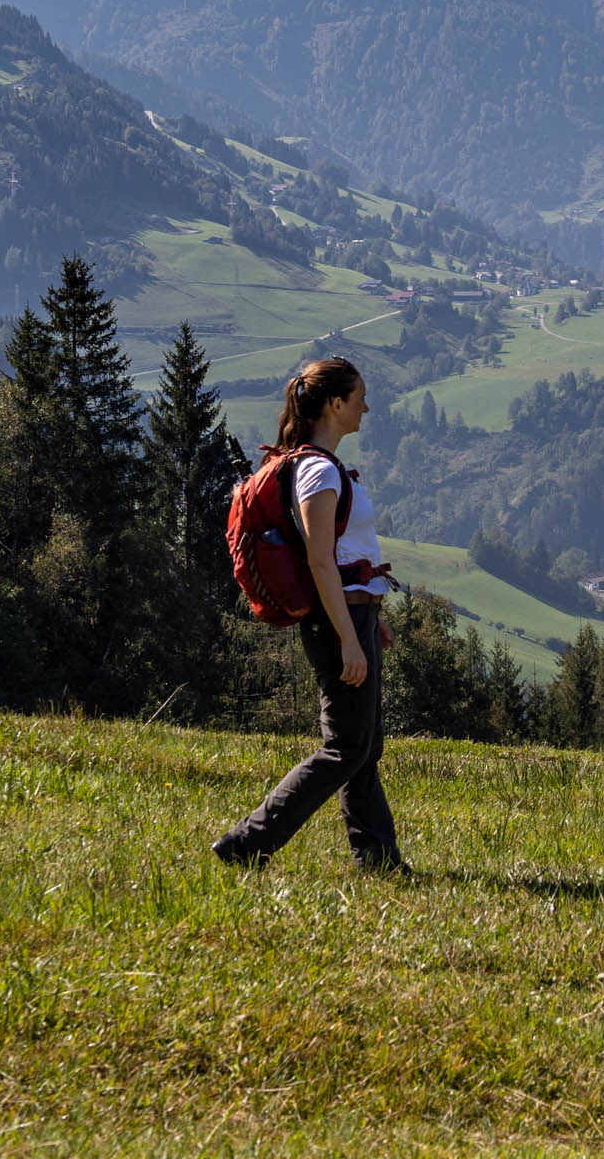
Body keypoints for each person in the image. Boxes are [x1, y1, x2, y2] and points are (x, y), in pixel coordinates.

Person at [213, 357, 408, 873]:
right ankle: (247, 842)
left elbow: (340, 557)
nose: (367, 405)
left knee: (362, 745)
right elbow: (319, 560)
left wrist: (369, 617)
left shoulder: (320, 466)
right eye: (360, 395)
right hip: (336, 620)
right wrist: (347, 636)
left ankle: (378, 859)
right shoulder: (319, 470)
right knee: (346, 746)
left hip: (351, 613)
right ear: (335, 404)